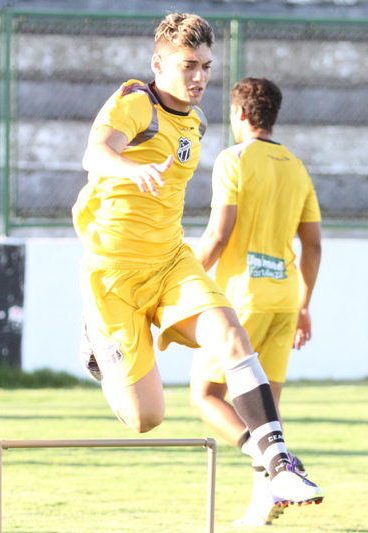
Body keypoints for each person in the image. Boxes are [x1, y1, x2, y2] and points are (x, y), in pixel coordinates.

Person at [72, 14, 324, 506]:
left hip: (170, 263)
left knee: (232, 336)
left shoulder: (199, 121)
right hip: (113, 277)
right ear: (159, 63)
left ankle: (278, 467)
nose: (200, 77)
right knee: (146, 418)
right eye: (189, 65)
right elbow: (95, 153)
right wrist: (128, 169)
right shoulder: (134, 103)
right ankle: (96, 339)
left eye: (207, 66)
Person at [190, 77, 323, 526]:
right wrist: (304, 304)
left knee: (206, 394)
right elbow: (314, 246)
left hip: (242, 299)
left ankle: (278, 465)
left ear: (241, 114)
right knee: (268, 408)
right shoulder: (297, 166)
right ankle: (262, 503)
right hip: (285, 300)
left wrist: (179, 284)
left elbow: (217, 235)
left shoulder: (234, 159)